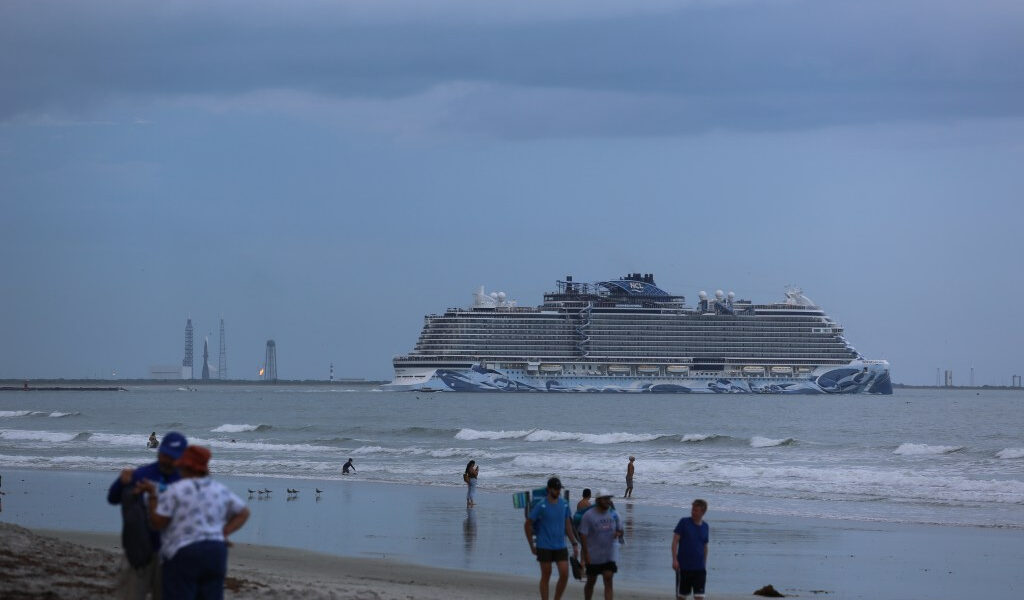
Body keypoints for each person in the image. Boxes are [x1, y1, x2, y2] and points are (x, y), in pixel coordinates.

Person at [140, 445, 250, 600]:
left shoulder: (176, 490)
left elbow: (158, 523)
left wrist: (152, 497)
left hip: (185, 550)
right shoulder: (220, 489)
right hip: (216, 551)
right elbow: (243, 513)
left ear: (184, 466)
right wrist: (224, 532)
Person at [106, 431, 188, 600]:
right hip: (139, 550)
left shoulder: (185, 482)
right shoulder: (141, 474)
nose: (169, 460)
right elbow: (113, 498)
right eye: (166, 455)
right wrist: (121, 481)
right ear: (159, 452)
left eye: (174, 457)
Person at [524, 477, 580, 600]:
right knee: (546, 575)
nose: (558, 491)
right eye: (556, 489)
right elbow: (527, 524)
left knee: (565, 574)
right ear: (549, 489)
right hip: (544, 546)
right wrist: (531, 545)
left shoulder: (564, 504)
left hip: (561, 546)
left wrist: (574, 544)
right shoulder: (541, 505)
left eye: (559, 489)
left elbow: (568, 525)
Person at [579, 489, 623, 600]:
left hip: (609, 555)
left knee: (608, 580)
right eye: (605, 499)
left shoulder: (613, 514)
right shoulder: (588, 516)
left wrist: (618, 533)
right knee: (591, 581)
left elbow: (621, 530)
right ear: (598, 500)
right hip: (594, 556)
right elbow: (583, 535)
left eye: (609, 498)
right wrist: (586, 554)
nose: (608, 501)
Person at [672, 499, 710, 600]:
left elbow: (705, 547)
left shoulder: (705, 526)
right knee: (681, 596)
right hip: (684, 567)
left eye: (696, 510)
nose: (693, 512)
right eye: (692, 509)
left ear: (703, 512)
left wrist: (704, 564)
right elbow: (675, 541)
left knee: (699, 597)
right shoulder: (684, 522)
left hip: (699, 569)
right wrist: (675, 559)